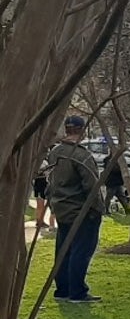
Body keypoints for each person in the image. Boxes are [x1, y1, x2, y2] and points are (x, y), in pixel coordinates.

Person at [46, 115, 105, 303]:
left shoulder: (56, 151)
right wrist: (98, 209)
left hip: (62, 208)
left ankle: (62, 289)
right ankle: (77, 291)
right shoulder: (81, 154)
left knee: (64, 250)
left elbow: (51, 180)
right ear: (82, 130)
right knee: (82, 250)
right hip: (81, 211)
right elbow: (91, 186)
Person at [33, 158, 57, 232]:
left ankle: (40, 221)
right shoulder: (43, 162)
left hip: (39, 183)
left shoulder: (39, 161)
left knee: (41, 204)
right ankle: (42, 222)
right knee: (43, 204)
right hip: (42, 183)